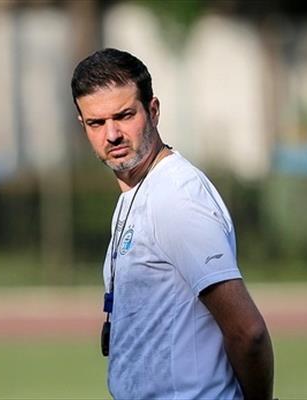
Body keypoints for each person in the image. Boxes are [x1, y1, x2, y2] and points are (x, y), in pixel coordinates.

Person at [71, 48, 274, 400]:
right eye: (96, 123)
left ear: (153, 111)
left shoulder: (176, 197)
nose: (112, 134)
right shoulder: (139, 192)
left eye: (124, 115)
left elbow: (248, 332)